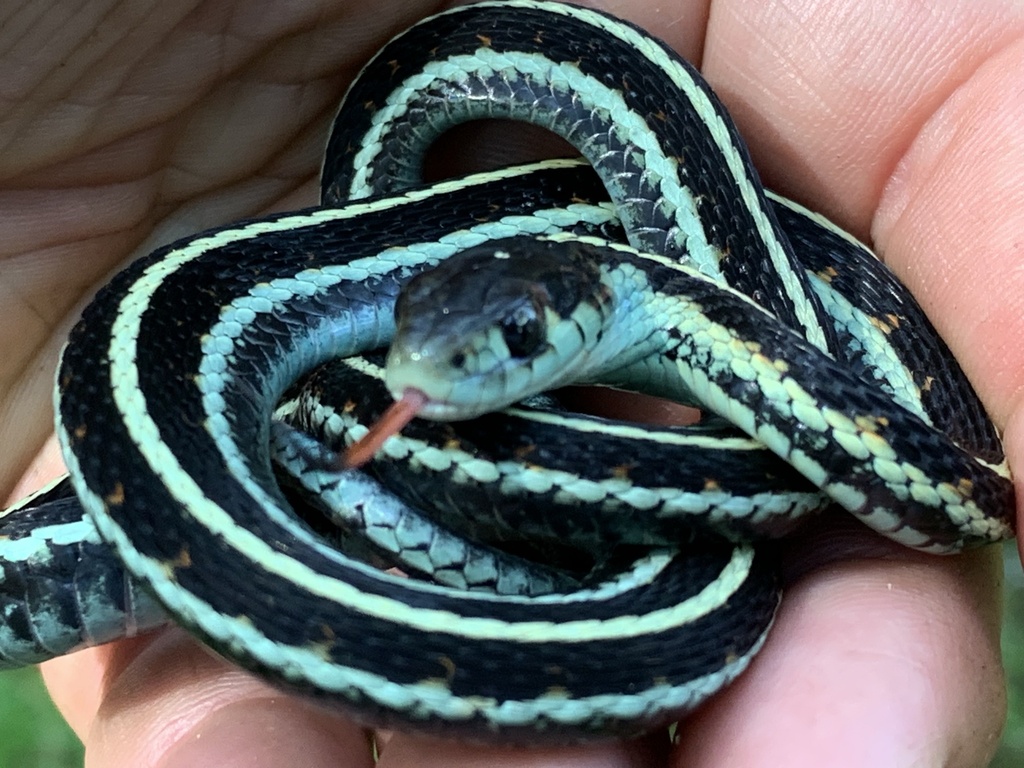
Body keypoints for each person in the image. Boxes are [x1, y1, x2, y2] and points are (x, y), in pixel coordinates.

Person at [3, 0, 1022, 765]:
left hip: (678, 568)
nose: (431, 373)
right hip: (185, 340)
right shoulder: (220, 320)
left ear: (595, 316)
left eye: (521, 342)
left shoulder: (706, 308)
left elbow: (957, 493)